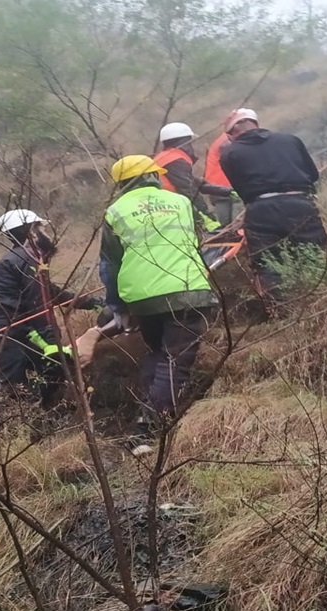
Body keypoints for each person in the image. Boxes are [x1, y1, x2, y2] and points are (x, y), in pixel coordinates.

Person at [99, 155, 219, 455]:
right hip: (185, 288)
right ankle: (147, 430)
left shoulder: (115, 211)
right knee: (175, 359)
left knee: (158, 353)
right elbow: (197, 240)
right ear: (151, 176)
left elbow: (110, 265)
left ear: (122, 184)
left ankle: (146, 413)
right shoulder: (179, 202)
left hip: (140, 296)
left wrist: (118, 306)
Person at [0, 209, 103, 409]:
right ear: (32, 232)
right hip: (2, 329)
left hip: (6, 327)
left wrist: (94, 303)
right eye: (41, 228)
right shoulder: (28, 258)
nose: (46, 233)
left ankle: (44, 416)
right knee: (11, 386)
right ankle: (9, 427)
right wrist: (51, 342)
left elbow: (50, 292)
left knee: (49, 370)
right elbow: (38, 303)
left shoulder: (21, 258)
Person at [218, 108, 327, 311]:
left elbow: (241, 188)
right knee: (314, 253)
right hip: (301, 204)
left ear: (232, 133)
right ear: (255, 123)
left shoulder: (230, 153)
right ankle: (324, 304)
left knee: (267, 262)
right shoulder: (290, 140)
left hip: (261, 211)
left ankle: (280, 311)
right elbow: (312, 175)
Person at [153, 122, 234, 231]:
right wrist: (206, 216)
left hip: (164, 207)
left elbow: (194, 183)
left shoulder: (166, 157)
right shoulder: (175, 160)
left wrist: (226, 191)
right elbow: (189, 191)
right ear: (185, 142)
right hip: (171, 209)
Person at [203, 129, 244, 226]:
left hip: (216, 187)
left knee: (224, 226)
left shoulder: (221, 140)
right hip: (229, 187)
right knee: (237, 226)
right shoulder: (227, 141)